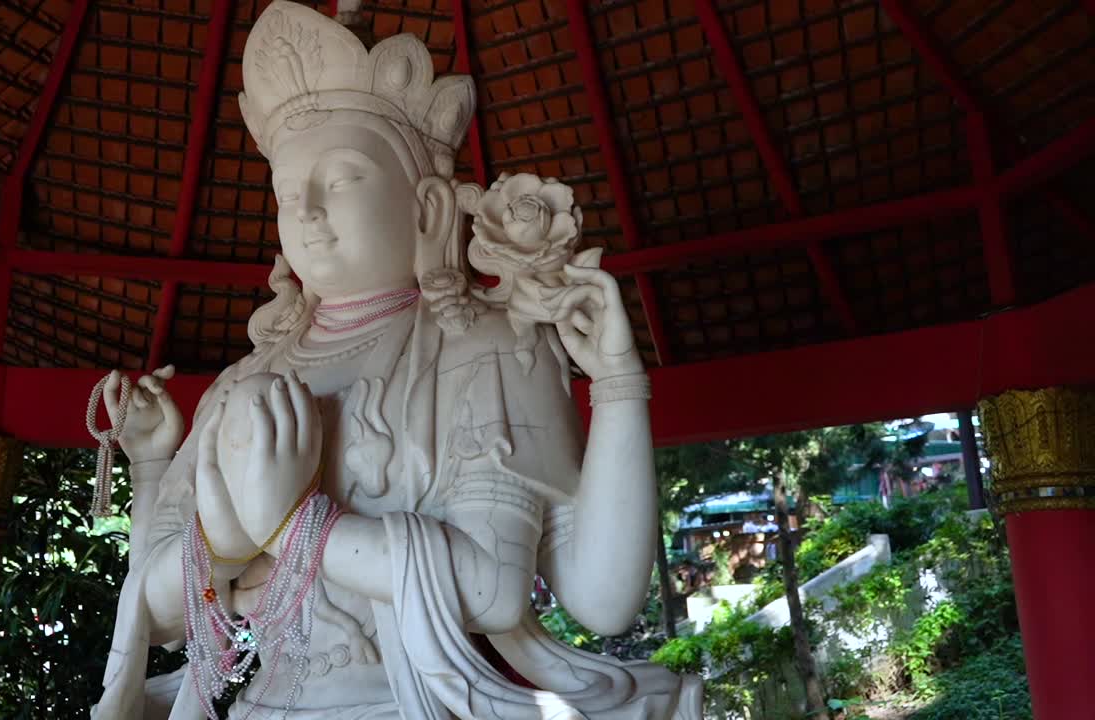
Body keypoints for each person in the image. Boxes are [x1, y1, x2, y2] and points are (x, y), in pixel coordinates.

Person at [92, 4, 702, 719]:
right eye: (290, 194)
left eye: (343, 179)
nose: (310, 210)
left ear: (429, 209)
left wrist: (619, 387)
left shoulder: (489, 346)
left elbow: (555, 595)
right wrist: (183, 494)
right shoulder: (243, 382)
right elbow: (155, 613)